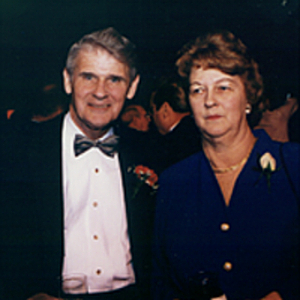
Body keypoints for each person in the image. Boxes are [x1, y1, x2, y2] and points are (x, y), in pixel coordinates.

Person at [0, 27, 156, 300]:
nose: (100, 92)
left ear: (132, 87)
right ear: (68, 80)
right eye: (89, 77)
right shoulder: (20, 150)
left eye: (114, 80)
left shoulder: (151, 152)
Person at [152, 30, 300, 300]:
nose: (210, 100)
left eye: (223, 87)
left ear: (248, 97)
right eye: (198, 90)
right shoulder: (174, 182)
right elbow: (162, 285)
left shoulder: (293, 165)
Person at [147, 79, 202, 174]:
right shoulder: (200, 128)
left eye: (152, 110)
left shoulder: (173, 144)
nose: (151, 118)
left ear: (165, 110)